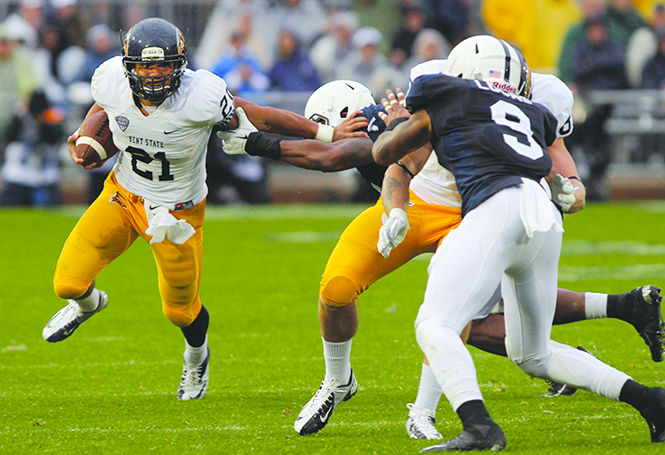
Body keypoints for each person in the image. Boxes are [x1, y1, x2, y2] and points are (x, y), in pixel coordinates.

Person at [218, 75, 664, 437]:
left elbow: (339, 155)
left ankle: (427, 412)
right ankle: (339, 381)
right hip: (414, 205)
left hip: (475, 214)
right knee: (339, 288)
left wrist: (574, 186)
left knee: (462, 320)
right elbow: (375, 158)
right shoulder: (434, 98)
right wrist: (224, 112)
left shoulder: (512, 101)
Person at [372, 35, 665, 450]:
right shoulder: (531, 110)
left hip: (497, 208)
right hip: (544, 217)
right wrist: (567, 190)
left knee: (435, 324)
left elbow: (385, 153)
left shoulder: (446, 95)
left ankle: (478, 426)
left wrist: (397, 123)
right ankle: (651, 400)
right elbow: (547, 168)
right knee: (533, 353)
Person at [40, 17, 358, 401]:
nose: (154, 75)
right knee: (67, 284)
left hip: (177, 213)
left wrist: (324, 132)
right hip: (123, 196)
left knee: (180, 311)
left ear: (180, 66)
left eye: (164, 65)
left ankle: (197, 357)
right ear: (129, 67)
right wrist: (86, 135)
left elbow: (256, 113)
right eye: (145, 66)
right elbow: (104, 107)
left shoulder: (201, 96)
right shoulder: (109, 79)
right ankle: (89, 305)